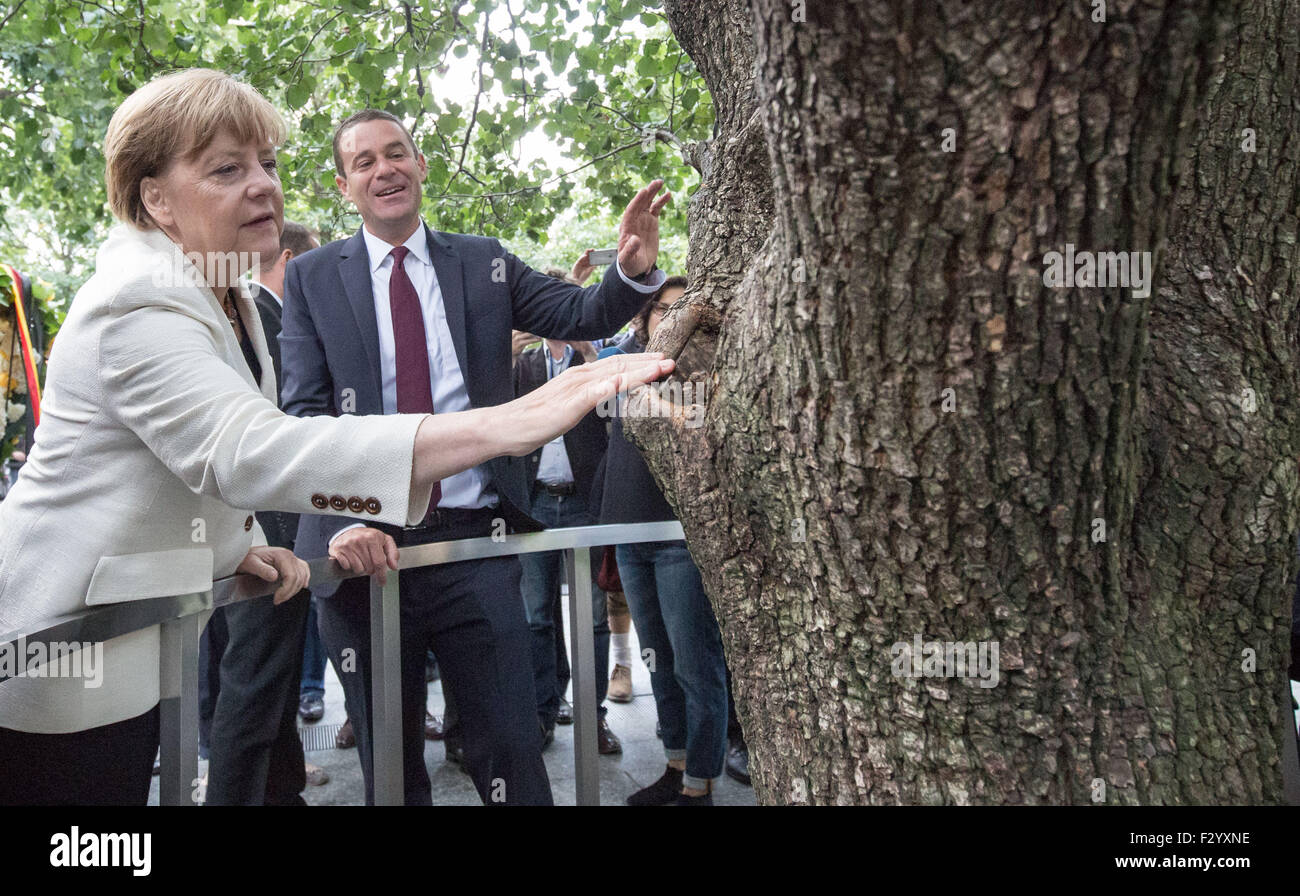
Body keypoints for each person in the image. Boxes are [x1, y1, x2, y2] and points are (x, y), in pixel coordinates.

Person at [0, 69, 674, 806]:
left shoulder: (232, 290)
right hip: (61, 659)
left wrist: (235, 549)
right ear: (154, 196)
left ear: (421, 164)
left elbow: (186, 455)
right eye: (228, 168)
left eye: (268, 164)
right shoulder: (143, 300)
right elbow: (254, 447)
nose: (262, 186)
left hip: (156, 640)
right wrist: (500, 426)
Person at [279, 108, 672, 806]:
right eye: (364, 161)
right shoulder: (311, 278)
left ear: (422, 166)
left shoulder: (482, 261)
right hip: (363, 550)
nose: (384, 169)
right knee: (391, 766)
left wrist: (632, 272)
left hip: (475, 542)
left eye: (397, 152)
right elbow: (304, 415)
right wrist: (345, 517)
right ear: (344, 186)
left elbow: (580, 314)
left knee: (513, 750)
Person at [599, 277, 729, 806]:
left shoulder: (706, 373)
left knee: (695, 663)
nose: (674, 321)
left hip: (679, 535)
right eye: (663, 310)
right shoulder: (623, 363)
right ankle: (674, 767)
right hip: (630, 532)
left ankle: (700, 783)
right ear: (645, 317)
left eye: (685, 313)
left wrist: (666, 405)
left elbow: (706, 429)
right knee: (658, 659)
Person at [514, 270, 620, 754]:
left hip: (583, 503)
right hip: (533, 504)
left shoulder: (596, 363)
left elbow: (617, 420)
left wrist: (594, 358)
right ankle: (539, 711)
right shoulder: (523, 364)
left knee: (592, 617)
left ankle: (592, 716)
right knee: (536, 615)